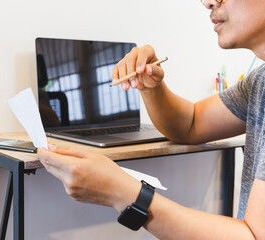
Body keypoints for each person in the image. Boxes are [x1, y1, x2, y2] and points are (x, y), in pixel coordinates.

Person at [37, 0, 265, 238]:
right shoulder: (259, 80)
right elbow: (191, 123)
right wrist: (150, 88)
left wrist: (121, 191)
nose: (209, 3)